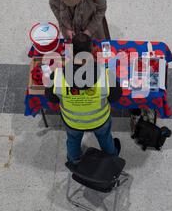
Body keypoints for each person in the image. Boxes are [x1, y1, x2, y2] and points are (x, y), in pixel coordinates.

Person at [45, 33, 122, 163]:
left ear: (71, 52)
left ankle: (74, 160)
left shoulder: (57, 75)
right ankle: (112, 157)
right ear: (91, 50)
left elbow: (51, 99)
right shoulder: (105, 74)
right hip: (100, 120)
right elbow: (116, 97)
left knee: (73, 140)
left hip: (72, 121)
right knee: (105, 138)